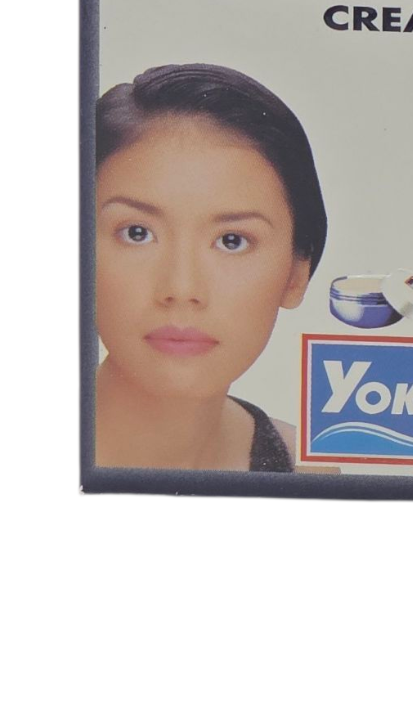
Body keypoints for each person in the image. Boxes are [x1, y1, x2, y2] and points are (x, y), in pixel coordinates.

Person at [94, 64, 327, 472]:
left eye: (232, 241)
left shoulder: (310, 471)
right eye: (137, 233)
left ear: (296, 273)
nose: (182, 288)